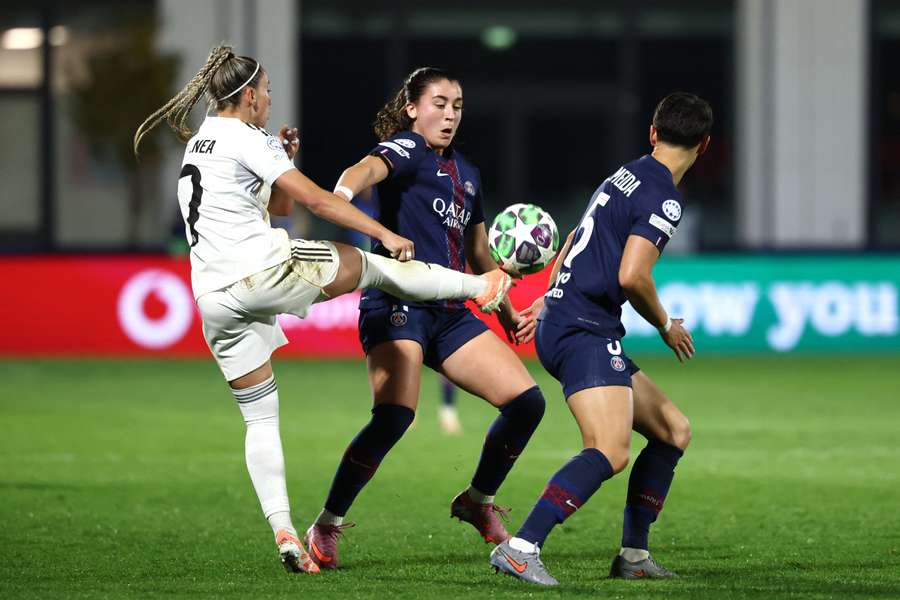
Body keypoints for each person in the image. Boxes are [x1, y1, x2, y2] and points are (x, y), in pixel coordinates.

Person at [132, 47, 512, 575]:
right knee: (372, 265)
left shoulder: (200, 142)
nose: (269, 99)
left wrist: (281, 160)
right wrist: (382, 233)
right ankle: (476, 286)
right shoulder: (245, 136)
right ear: (246, 97)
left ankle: (286, 532)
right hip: (259, 271)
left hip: (213, 299)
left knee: (260, 418)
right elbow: (311, 201)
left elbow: (277, 209)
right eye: (264, 92)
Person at [302, 67, 547, 569]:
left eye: (457, 105)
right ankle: (327, 522)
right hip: (397, 304)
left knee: (527, 404)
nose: (449, 114)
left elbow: (480, 254)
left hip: (452, 313)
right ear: (413, 108)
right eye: (439, 103)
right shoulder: (406, 150)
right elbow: (363, 170)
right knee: (395, 416)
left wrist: (506, 310)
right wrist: (343, 198)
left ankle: (477, 503)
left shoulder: (468, 173)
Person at [490, 92, 712, 586]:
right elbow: (633, 276)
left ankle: (633, 557)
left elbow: (575, 236)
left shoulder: (626, 173)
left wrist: (549, 296)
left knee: (673, 430)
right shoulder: (665, 196)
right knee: (609, 450)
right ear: (704, 144)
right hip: (583, 329)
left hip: (571, 320)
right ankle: (522, 547)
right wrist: (666, 325)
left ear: (653, 133)